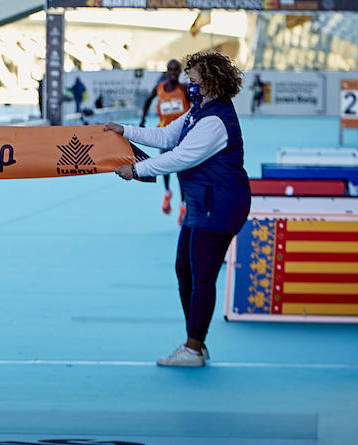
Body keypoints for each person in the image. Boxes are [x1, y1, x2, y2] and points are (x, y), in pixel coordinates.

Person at [105, 50, 251, 368]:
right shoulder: (198, 111)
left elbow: (181, 157)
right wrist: (125, 131)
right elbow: (165, 136)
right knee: (185, 271)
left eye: (194, 80)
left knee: (201, 275)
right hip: (203, 201)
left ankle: (194, 347)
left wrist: (137, 170)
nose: (189, 85)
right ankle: (195, 340)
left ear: (211, 82)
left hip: (220, 204)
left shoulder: (215, 120)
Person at [138, 60, 191, 215]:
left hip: (182, 134)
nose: (173, 72)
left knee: (181, 169)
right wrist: (143, 120)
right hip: (165, 134)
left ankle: (183, 204)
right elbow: (148, 101)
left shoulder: (183, 89)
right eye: (170, 69)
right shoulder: (159, 88)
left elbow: (196, 106)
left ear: (180, 71)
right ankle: (167, 192)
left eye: (176, 69)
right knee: (166, 166)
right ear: (167, 71)